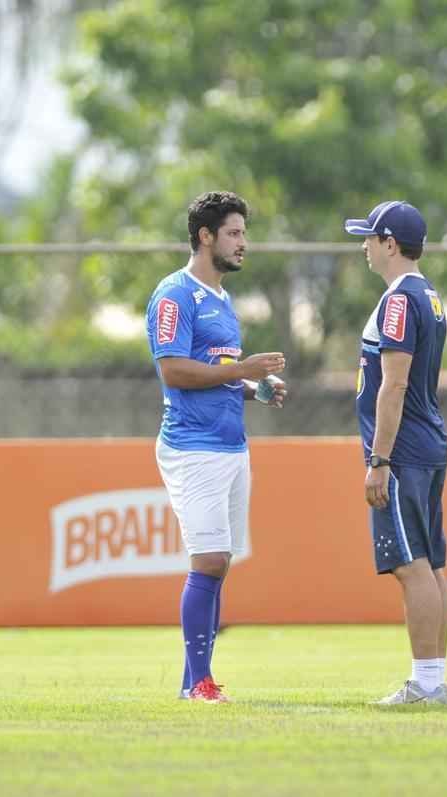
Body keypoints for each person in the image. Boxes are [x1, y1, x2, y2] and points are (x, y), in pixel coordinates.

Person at [146, 190, 288, 704]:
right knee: (207, 562)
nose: (243, 243)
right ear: (205, 237)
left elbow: (218, 373)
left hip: (231, 446)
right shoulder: (174, 295)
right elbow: (174, 370)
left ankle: (193, 681)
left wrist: (255, 388)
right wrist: (244, 369)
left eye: (243, 233)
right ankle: (200, 685)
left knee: (219, 563)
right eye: (233, 233)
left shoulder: (223, 301)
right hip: (193, 446)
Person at [345, 200, 447, 705]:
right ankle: (433, 679)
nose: (364, 246)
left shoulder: (398, 300)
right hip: (427, 442)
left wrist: (378, 461)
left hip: (404, 451)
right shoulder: (427, 295)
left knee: (411, 566)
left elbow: (394, 384)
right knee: (428, 565)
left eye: (369, 237)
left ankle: (428, 683)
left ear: (390, 243)